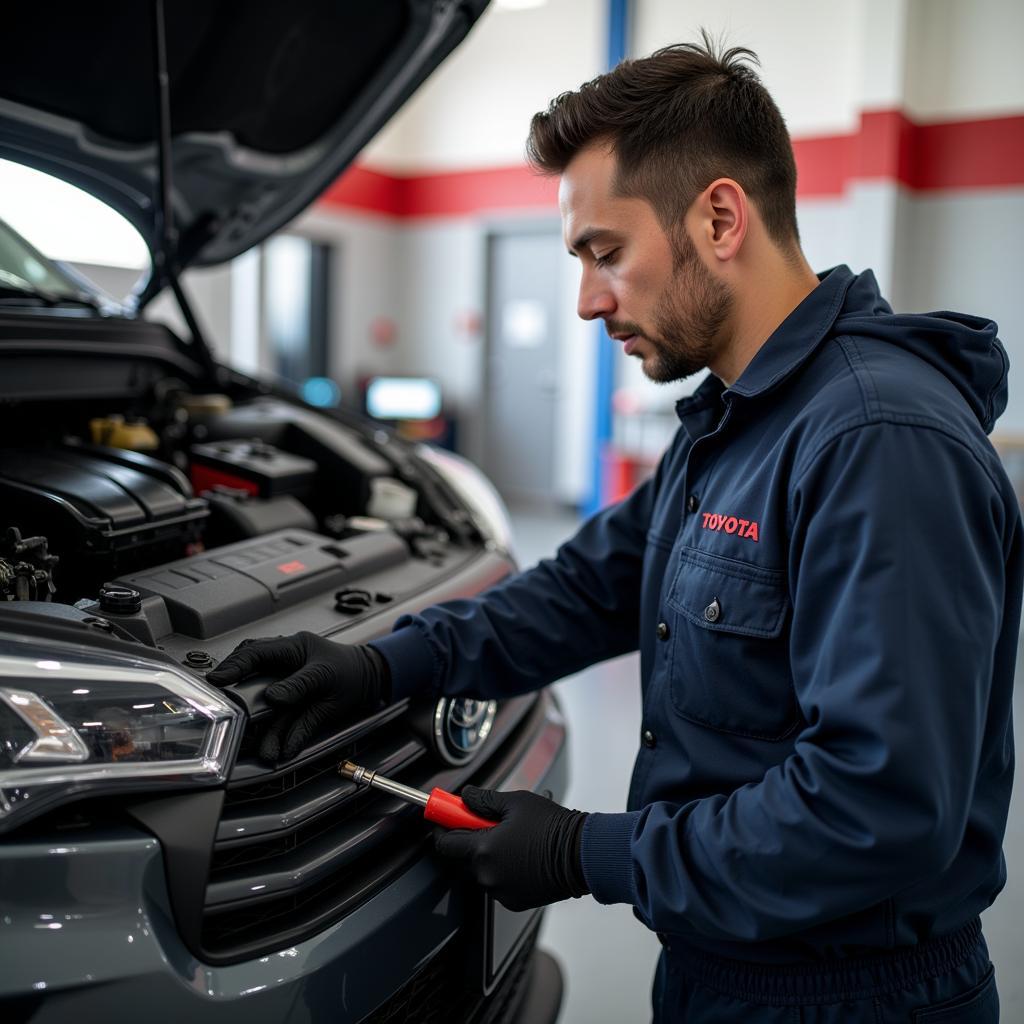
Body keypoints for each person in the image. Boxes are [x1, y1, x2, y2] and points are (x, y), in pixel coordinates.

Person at [206, 37, 1020, 1023]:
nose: (588, 300)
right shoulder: (737, 418)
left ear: (719, 217)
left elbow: (878, 808)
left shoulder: (876, 444)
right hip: (718, 965)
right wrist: (381, 666)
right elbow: (583, 589)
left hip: (845, 998)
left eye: (605, 253)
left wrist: (585, 850)